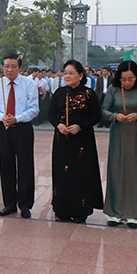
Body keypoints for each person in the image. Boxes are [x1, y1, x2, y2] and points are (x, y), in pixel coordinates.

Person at [101, 61, 137, 227]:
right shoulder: (113, 89)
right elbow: (104, 110)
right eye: (123, 79)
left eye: (131, 79)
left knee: (136, 171)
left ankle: (136, 214)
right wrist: (115, 116)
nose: (127, 82)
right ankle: (114, 212)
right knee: (116, 170)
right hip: (118, 133)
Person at [48, 60, 103, 223]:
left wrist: (80, 127)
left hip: (82, 141)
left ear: (80, 75)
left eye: (71, 73)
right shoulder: (59, 93)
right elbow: (50, 114)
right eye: (65, 73)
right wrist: (58, 125)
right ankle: (61, 210)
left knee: (80, 174)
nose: (67, 76)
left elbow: (96, 116)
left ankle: (80, 211)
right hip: (62, 140)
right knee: (62, 173)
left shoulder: (89, 94)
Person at [0, 54, 39, 218]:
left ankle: (25, 204)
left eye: (13, 66)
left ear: (20, 68)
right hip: (4, 128)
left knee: (25, 166)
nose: (9, 70)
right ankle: (9, 203)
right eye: (6, 66)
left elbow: (34, 109)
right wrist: (3, 117)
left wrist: (16, 118)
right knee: (6, 166)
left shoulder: (29, 84)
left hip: (23, 128)